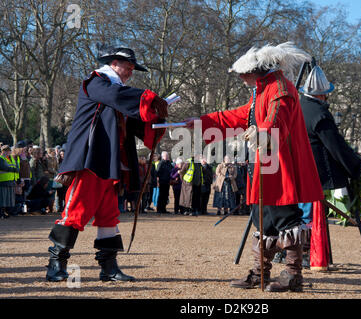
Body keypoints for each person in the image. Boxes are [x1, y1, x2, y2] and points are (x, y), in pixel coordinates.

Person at [184, 42, 323, 292]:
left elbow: (276, 122)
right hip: (266, 164)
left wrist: (262, 132)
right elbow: (238, 117)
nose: (241, 78)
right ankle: (261, 273)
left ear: (257, 71)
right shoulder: (262, 90)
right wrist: (201, 123)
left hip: (280, 167)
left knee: (285, 219)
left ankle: (293, 276)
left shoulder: (280, 89)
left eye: (244, 74)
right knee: (265, 220)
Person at [44, 46, 168, 282]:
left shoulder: (116, 89)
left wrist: (157, 117)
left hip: (112, 163)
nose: (130, 72)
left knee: (109, 215)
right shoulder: (96, 82)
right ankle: (55, 265)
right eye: (127, 67)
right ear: (113, 63)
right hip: (91, 160)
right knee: (76, 211)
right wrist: (148, 98)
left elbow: (133, 121)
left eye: (133, 69)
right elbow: (116, 97)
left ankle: (109, 267)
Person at [298, 64, 361, 270]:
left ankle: (291, 251)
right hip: (315, 171)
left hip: (298, 168)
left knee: (300, 211)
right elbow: (335, 145)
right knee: (308, 214)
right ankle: (306, 253)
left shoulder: (298, 107)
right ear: (322, 95)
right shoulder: (320, 114)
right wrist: (355, 164)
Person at [0, 145, 19, 219]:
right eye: (6, 150)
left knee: (7, 198)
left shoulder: (11, 158)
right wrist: (13, 169)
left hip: (10, 180)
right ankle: (1, 213)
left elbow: (16, 167)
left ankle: (5, 212)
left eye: (8, 150)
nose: (8, 152)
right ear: (2, 151)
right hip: (3, 180)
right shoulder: (1, 158)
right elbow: (3, 167)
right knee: (2, 198)